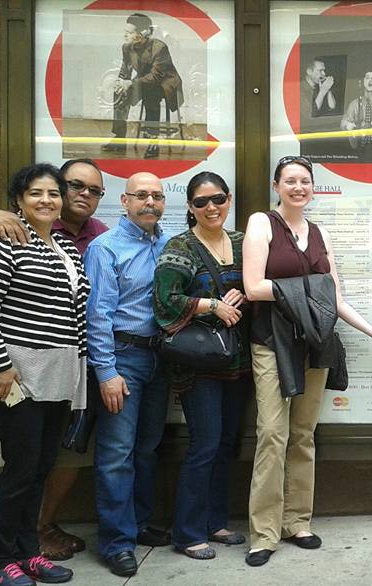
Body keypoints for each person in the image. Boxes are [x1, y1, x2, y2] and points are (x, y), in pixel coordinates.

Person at [241, 155, 372, 567]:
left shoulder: (319, 234)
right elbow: (252, 287)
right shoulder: (262, 223)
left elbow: (332, 298)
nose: (298, 187)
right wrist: (309, 287)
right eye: (290, 181)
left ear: (312, 187)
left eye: (305, 181)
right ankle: (263, 534)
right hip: (272, 343)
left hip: (315, 344)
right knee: (272, 434)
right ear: (276, 185)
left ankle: (297, 521)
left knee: (303, 434)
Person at [0, 158, 109, 561]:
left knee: (39, 469)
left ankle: (28, 552)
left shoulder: (61, 249)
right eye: (35, 193)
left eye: (53, 193)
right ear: (18, 201)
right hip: (14, 374)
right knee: (20, 471)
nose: (46, 200)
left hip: (56, 376)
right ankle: (1, 561)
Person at [153, 171, 251, 560]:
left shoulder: (243, 243)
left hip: (238, 360)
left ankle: (215, 521)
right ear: (190, 208)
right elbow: (162, 299)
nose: (211, 207)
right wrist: (211, 305)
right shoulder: (181, 246)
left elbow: (261, 280)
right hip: (198, 364)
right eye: (201, 202)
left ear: (228, 200)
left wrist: (245, 291)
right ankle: (188, 532)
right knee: (205, 444)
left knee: (226, 444)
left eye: (218, 199)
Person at [85, 172, 172, 577]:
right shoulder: (105, 248)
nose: (150, 202)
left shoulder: (168, 244)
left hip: (160, 359)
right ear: (124, 201)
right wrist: (106, 372)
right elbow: (97, 314)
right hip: (123, 359)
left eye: (156, 195)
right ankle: (116, 542)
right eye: (141, 196)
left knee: (147, 447)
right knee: (116, 454)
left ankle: (136, 525)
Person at [102, 13, 184, 160]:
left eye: (130, 32)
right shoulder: (127, 47)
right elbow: (125, 69)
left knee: (151, 96)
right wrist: (121, 82)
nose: (125, 35)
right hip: (142, 82)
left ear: (143, 33)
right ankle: (119, 138)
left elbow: (156, 76)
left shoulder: (159, 48)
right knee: (120, 93)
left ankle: (154, 142)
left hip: (165, 83)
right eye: (125, 31)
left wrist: (131, 83)